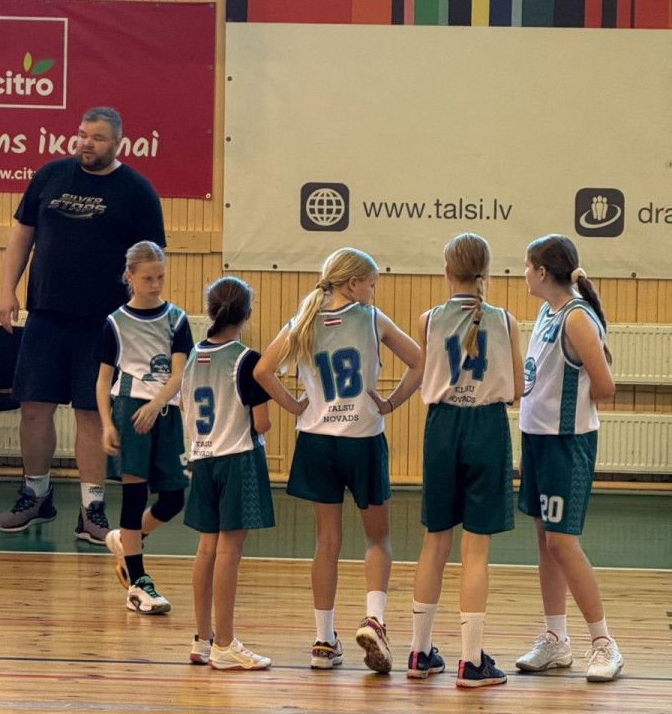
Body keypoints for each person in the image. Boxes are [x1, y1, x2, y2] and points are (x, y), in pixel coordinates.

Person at [0, 107, 165, 541]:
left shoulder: (137, 190)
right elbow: (22, 235)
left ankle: (92, 509)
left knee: (91, 413)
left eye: (98, 137)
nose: (87, 143)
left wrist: (145, 315)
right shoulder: (50, 176)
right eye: (82, 135)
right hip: (46, 315)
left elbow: (151, 262)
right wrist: (7, 290)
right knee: (34, 407)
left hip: (102, 325)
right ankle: (36, 495)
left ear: (118, 143)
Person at [255, 247, 423, 672]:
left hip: (316, 440)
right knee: (377, 538)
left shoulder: (303, 320)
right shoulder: (372, 318)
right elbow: (420, 362)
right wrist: (391, 403)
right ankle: (375, 621)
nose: (373, 291)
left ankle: (323, 641)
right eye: (371, 284)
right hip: (362, 438)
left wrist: (294, 406)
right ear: (352, 283)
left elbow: (261, 371)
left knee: (327, 541)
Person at [401, 233, 523, 689]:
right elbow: (517, 390)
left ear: (447, 272)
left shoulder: (428, 319)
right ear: (486, 273)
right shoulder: (505, 321)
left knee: (434, 543)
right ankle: (471, 662)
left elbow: (423, 373)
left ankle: (419, 652)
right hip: (486, 427)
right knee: (476, 551)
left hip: (442, 427)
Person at [515, 234, 623, 682]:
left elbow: (605, 386)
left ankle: (604, 643)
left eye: (527, 266)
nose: (523, 273)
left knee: (562, 543)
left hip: (565, 442)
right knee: (546, 541)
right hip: (537, 439)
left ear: (542, 271)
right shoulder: (548, 310)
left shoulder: (576, 317)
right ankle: (556, 638)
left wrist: (571, 407)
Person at [179, 276, 275, 671]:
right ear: (247, 314)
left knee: (206, 548)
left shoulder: (190, 356)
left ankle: (202, 639)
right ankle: (225, 643)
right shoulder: (247, 359)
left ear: (209, 310)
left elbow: (184, 406)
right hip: (237, 457)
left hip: (201, 458)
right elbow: (262, 422)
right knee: (229, 551)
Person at [97, 241, 192, 614]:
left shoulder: (177, 319)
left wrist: (157, 404)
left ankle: (127, 540)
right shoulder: (115, 323)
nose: (155, 285)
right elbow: (103, 380)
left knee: (174, 498)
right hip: (130, 411)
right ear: (130, 277)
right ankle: (138, 583)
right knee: (134, 496)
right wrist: (107, 423)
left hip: (163, 411)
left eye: (160, 278)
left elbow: (179, 373)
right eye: (148, 278)